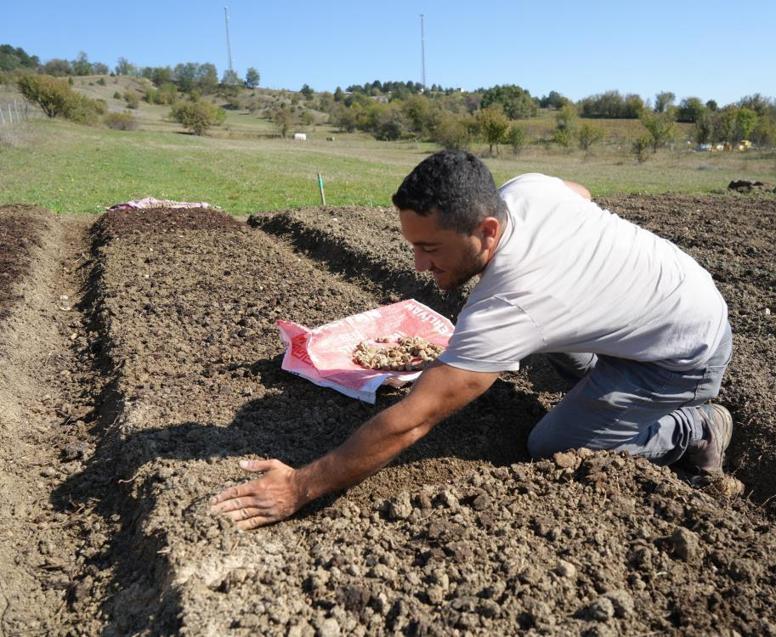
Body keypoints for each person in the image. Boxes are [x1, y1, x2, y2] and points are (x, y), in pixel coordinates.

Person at [211, 150, 734, 530]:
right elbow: (578, 192)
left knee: (550, 446)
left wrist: (300, 486)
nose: (419, 264)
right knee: (551, 341)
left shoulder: (511, 306)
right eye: (413, 245)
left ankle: (696, 427)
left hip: (683, 354)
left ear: (487, 229)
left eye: (431, 248)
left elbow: (414, 419)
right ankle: (602, 396)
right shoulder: (526, 190)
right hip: (663, 306)